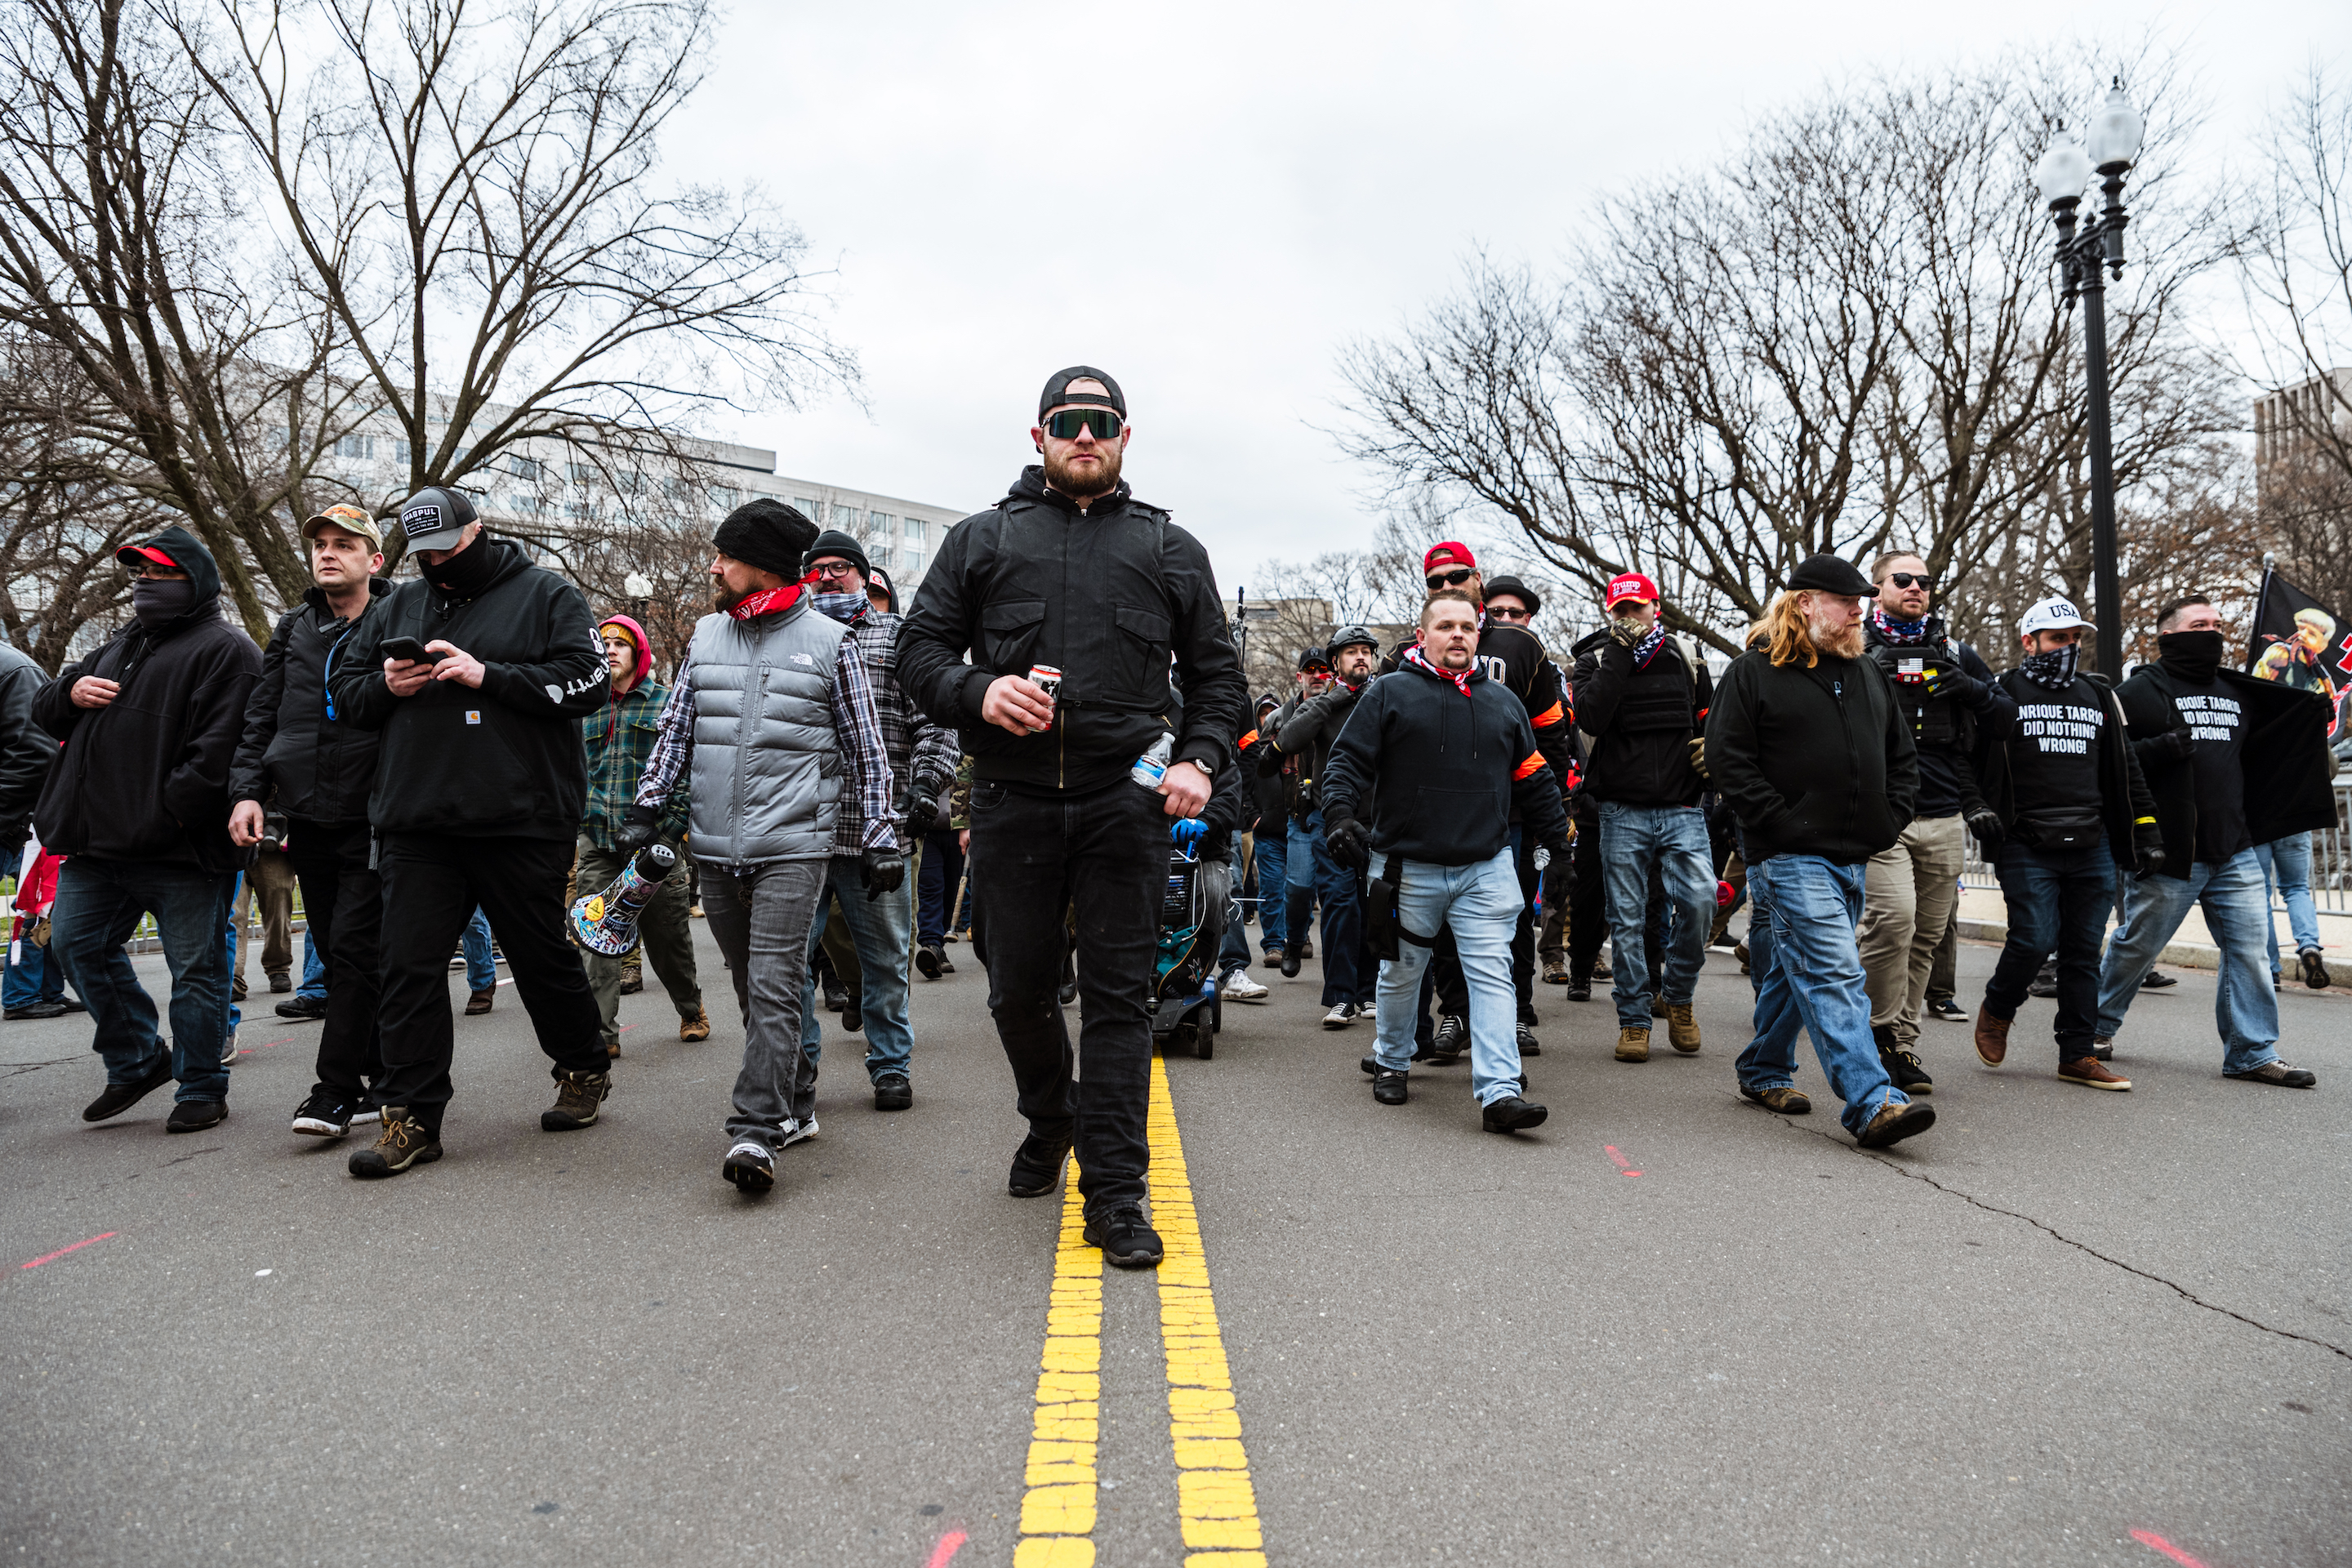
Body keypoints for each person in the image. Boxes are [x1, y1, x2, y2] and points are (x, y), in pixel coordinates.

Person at [898, 366, 1245, 1269]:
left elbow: (1219, 679)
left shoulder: (1171, 549)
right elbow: (918, 654)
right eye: (1066, 422)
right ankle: (1049, 1119)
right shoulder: (981, 540)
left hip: (1124, 806)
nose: (1083, 436)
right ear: (1039, 436)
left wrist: (1201, 760)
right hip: (1012, 802)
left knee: (1120, 1001)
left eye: (1100, 423)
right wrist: (980, 689)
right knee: (1015, 990)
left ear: (1125, 437)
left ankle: (1116, 1194)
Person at [327, 487, 615, 1177]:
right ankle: (413, 1117)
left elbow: (589, 684)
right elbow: (346, 693)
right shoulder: (398, 603)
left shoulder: (547, 594)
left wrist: (490, 676)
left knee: (540, 957)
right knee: (408, 967)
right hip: (418, 816)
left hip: (520, 814)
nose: (435, 564)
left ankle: (583, 1065)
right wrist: (390, 685)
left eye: (448, 549)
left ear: (478, 532)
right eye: (421, 554)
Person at [622, 500, 898, 1191]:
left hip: (795, 845)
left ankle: (754, 1131)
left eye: (725, 555)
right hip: (714, 846)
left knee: (776, 979)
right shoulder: (707, 634)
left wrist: (880, 835)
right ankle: (798, 1098)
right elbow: (679, 730)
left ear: (764, 564)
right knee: (752, 985)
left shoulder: (833, 645)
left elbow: (867, 751)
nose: (714, 565)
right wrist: (648, 805)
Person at [1705, 554, 1934, 1149]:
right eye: (1846, 601)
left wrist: (1893, 815)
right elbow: (1728, 759)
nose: (1859, 610)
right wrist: (1781, 821)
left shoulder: (1868, 674)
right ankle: (1872, 1099)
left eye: (1861, 601)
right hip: (1786, 855)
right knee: (1834, 970)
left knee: (1789, 970)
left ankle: (1761, 1069)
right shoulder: (1752, 672)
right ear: (1806, 602)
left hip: (1857, 850)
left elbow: (1902, 756)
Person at [38, 527, 261, 1134]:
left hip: (181, 850)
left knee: (197, 972)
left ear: (195, 582)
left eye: (161, 576)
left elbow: (219, 755)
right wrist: (70, 691)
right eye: (140, 575)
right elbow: (44, 711)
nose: (145, 585)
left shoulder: (228, 650)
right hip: (97, 847)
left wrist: (165, 812)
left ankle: (201, 1085)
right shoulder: (120, 643)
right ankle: (137, 1060)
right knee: (74, 945)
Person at [1323, 589, 1568, 1130]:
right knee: (1401, 973)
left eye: (1467, 626)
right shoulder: (1388, 693)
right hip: (1405, 867)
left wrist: (1560, 846)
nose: (1457, 634)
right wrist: (1339, 816)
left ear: (1478, 636)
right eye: (1446, 626)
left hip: (1486, 865)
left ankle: (1500, 1093)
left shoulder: (1505, 703)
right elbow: (1347, 763)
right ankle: (1391, 1060)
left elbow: (1535, 778)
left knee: (1492, 976)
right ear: (1423, 636)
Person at [2091, 594, 2334, 1087]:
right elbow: (2108, 759)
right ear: (2169, 636)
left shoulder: (2237, 690)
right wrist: (2158, 749)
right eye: (2201, 624)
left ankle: (2251, 1052)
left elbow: (2269, 748)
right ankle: (2093, 1027)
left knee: (2250, 951)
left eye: (2218, 625)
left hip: (2237, 848)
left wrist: (2315, 710)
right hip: (2171, 851)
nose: (2214, 632)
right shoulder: (2138, 692)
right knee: (2138, 945)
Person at [227, 504, 394, 1138]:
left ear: (373, 560)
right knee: (341, 948)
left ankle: (334, 1090)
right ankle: (383, 1075)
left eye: (344, 544)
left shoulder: (398, 619)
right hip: (308, 816)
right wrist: (249, 794)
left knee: (353, 951)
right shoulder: (294, 626)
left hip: (377, 815)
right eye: (320, 544)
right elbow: (260, 718)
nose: (328, 553)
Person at [780, 527, 955, 1112]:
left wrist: (926, 786)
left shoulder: (900, 639)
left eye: (839, 567)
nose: (827, 576)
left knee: (884, 960)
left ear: (862, 573)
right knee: (789, 965)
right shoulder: (785, 640)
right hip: (796, 833)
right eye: (817, 568)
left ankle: (889, 1067)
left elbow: (937, 721)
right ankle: (798, 1067)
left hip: (875, 831)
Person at [1965, 597, 2158, 1089]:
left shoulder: (2098, 693)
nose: (2068, 647)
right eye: (2057, 638)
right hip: (2025, 841)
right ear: (2029, 641)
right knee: (2034, 938)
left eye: (2074, 638)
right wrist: (1977, 807)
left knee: (2081, 952)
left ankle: (2077, 1054)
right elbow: (1970, 757)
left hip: (2091, 842)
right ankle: (1999, 1006)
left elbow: (2125, 769)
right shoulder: (2002, 691)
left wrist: (2147, 830)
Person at [1854, 552, 2016, 1096]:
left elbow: (2005, 719)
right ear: (1877, 589)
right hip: (1882, 813)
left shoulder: (1954, 653)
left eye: (1924, 581)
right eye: (1903, 580)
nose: (1916, 587)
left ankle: (1902, 1043)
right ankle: (1873, 1034)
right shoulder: (1854, 651)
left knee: (1925, 938)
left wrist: (1967, 687)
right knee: (1893, 922)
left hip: (1945, 814)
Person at [1414, 556, 1577, 1058]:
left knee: (1511, 921)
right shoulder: (1409, 657)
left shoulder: (1523, 648)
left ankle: (1518, 1015)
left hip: (1512, 817)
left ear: (1477, 581)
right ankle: (1456, 1016)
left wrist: (1555, 820)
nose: (1449, 586)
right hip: (1441, 818)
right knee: (1443, 927)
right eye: (1437, 583)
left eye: (1457, 577)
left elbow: (1550, 742)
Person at [1570, 571, 1717, 1065]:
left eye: (1638, 607)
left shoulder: (1687, 658)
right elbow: (1591, 717)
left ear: (1656, 607)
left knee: (1699, 904)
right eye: (1621, 610)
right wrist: (1617, 653)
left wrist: (1710, 756)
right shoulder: (1592, 661)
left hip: (1682, 808)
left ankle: (1677, 997)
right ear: (1611, 613)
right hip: (1621, 811)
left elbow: (1709, 720)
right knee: (1627, 921)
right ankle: (1633, 1020)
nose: (1630, 615)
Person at [578, 612, 707, 1058]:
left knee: (667, 939)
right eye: (604, 643)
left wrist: (669, 833)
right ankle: (602, 1035)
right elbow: (574, 773)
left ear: (639, 653)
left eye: (620, 643)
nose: (610, 649)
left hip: (654, 847)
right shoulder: (586, 706)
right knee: (598, 936)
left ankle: (691, 1008)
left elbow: (690, 774)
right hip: (598, 842)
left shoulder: (667, 702)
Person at [1264, 626, 1381, 1026]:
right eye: (1352, 652)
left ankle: (1369, 994)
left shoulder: (1384, 697)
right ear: (1337, 663)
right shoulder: (1322, 703)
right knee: (1339, 903)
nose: (1361, 658)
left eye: (1367, 651)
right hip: (1325, 820)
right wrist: (1330, 699)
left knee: (1372, 906)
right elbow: (1291, 738)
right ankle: (1340, 997)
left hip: (1376, 822)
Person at [2255, 831, 2329, 991]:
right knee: (2297, 888)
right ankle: (2309, 945)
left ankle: (2270, 971)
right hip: (2295, 822)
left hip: (2256, 825)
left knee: (2260, 894)